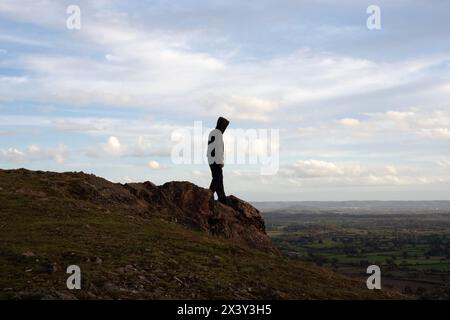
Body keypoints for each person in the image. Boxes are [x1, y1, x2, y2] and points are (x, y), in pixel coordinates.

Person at [207, 117, 230, 204]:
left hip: (211, 159)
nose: (225, 128)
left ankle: (222, 198)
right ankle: (208, 195)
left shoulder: (213, 132)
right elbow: (218, 149)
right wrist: (220, 161)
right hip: (215, 160)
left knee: (219, 179)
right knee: (217, 179)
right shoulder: (218, 133)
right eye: (224, 126)